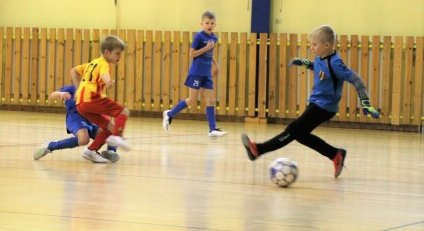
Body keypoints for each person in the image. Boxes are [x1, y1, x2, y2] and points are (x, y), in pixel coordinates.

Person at [241, 25, 380, 178]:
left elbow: (356, 79)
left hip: (325, 107)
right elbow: (318, 66)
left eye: (314, 44)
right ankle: (335, 154)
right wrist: (303, 62)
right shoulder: (320, 57)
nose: (311, 47)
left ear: (326, 45)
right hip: (316, 103)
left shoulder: (335, 63)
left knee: (294, 129)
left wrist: (365, 101)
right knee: (301, 135)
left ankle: (258, 150)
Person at [162, 10, 227, 139]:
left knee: (211, 100)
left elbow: (209, 54)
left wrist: (216, 64)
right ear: (202, 23)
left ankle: (212, 130)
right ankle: (170, 114)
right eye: (207, 23)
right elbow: (192, 54)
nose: (209, 25)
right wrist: (206, 48)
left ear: (215, 25)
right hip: (196, 72)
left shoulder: (214, 38)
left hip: (206, 73)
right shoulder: (199, 37)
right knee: (192, 100)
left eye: (212, 23)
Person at [70, 35, 132, 163]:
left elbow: (73, 71)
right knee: (123, 112)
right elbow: (105, 75)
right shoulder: (104, 63)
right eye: (117, 54)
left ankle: (91, 150)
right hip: (92, 98)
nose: (119, 57)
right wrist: (108, 81)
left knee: (110, 127)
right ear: (107, 52)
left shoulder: (92, 63)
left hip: (81, 104)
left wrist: (77, 89)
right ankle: (117, 137)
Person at [33, 85, 119, 163]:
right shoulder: (73, 89)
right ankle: (51, 146)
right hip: (75, 118)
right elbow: (52, 95)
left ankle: (110, 152)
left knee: (111, 131)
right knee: (83, 139)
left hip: (91, 120)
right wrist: (60, 94)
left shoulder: (96, 92)